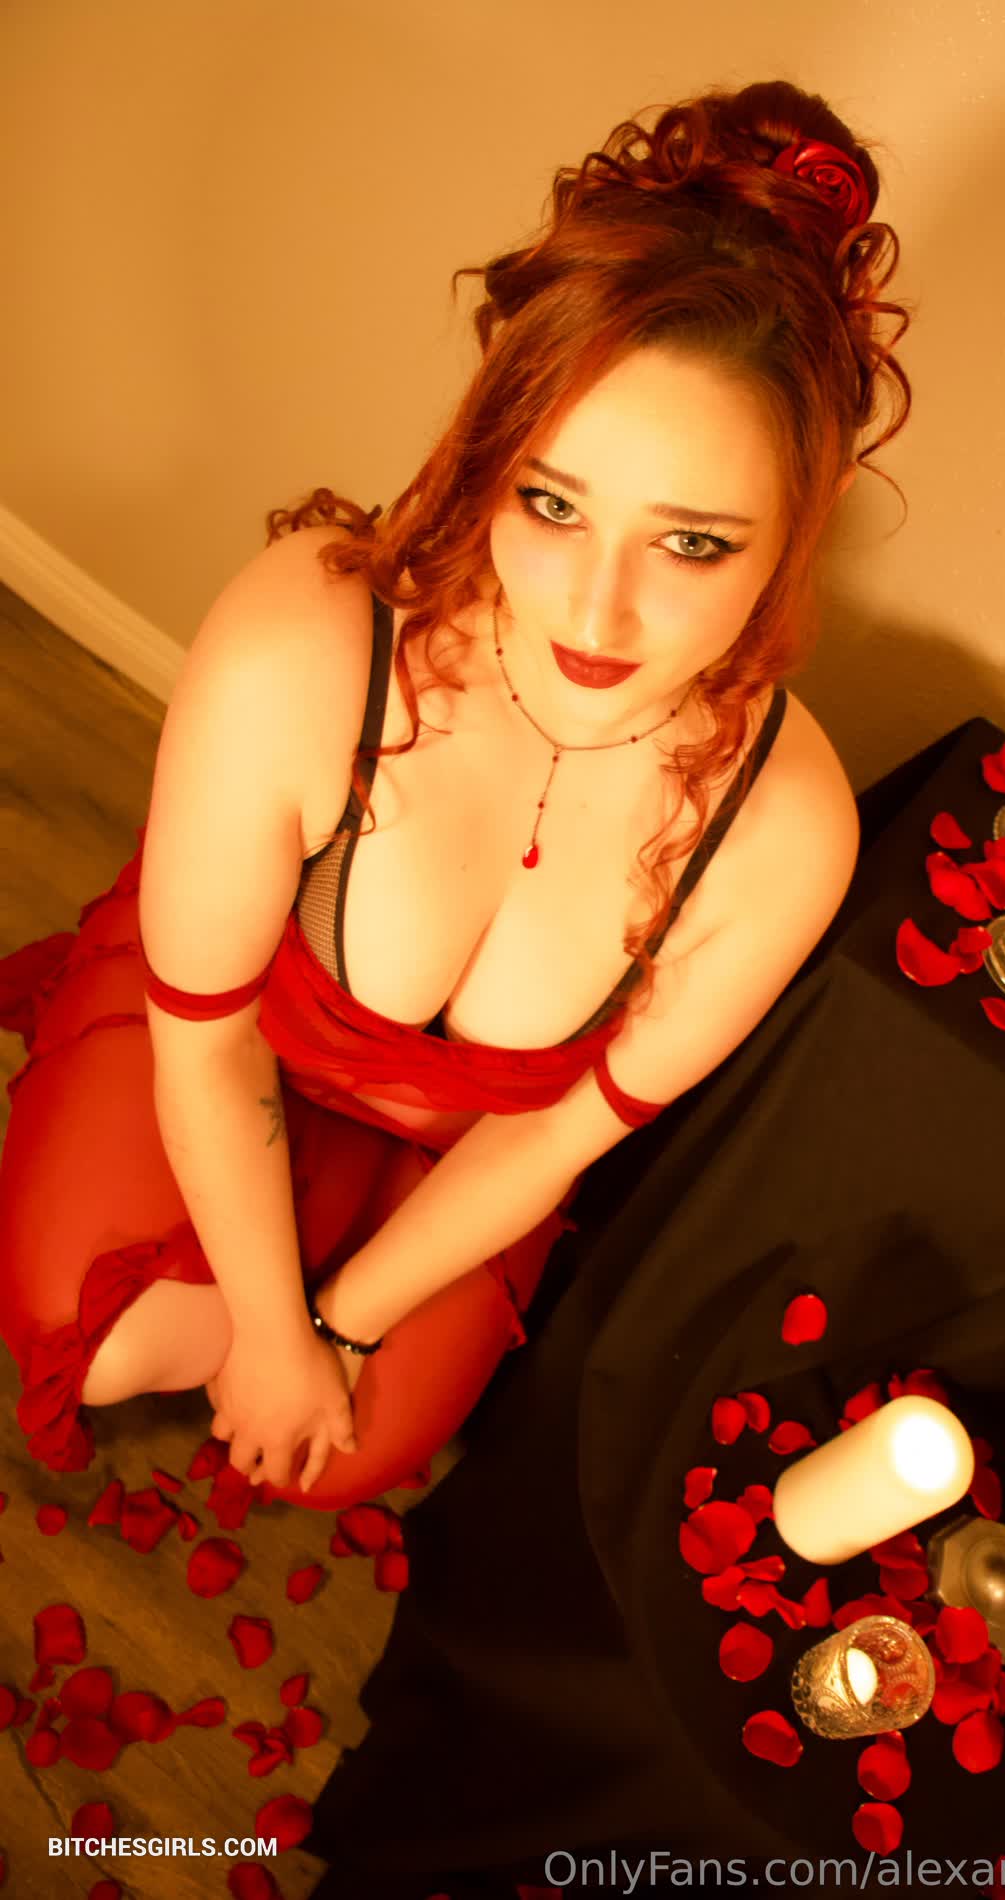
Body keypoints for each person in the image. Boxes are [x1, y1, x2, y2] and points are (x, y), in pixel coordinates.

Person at [0, 78, 908, 1517]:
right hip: (230, 1053)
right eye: (552, 505)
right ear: (493, 448)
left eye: (693, 544)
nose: (596, 611)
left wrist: (338, 1330)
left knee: (350, 1459)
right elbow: (208, 1042)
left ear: (805, 520)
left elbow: (555, 1137)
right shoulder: (313, 643)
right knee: (103, 1346)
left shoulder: (784, 832)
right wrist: (270, 1332)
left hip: (467, 1162)